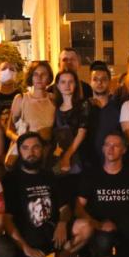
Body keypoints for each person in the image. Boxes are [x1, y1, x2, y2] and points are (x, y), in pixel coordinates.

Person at [3, 132, 90, 257]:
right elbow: (7, 220)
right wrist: (25, 248)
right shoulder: (11, 180)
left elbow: (64, 208)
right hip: (29, 242)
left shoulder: (49, 176)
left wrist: (62, 223)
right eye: (26, 148)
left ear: (43, 150)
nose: (31, 152)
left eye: (36, 147)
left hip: (52, 235)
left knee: (85, 227)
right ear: (19, 151)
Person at [77, 132, 129, 257]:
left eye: (116, 146)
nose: (111, 149)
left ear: (124, 150)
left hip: (127, 226)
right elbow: (78, 208)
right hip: (100, 227)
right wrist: (97, 224)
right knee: (104, 238)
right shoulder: (91, 174)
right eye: (107, 145)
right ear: (103, 149)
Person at [51, 69, 88, 200]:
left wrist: (67, 155)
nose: (67, 85)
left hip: (79, 157)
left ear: (76, 85)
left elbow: (82, 132)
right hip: (59, 156)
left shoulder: (83, 105)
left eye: (71, 82)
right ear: (57, 85)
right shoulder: (54, 107)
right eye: (63, 82)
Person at [7, 60, 56, 151]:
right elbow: (9, 130)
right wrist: (22, 141)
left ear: (49, 78)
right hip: (27, 153)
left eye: (43, 74)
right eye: (35, 74)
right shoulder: (21, 99)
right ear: (31, 77)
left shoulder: (53, 100)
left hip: (48, 152)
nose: (39, 77)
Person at [85, 61, 121, 168]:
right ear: (90, 82)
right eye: (95, 79)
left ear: (110, 81)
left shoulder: (119, 107)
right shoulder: (84, 107)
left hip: (114, 164)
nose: (99, 83)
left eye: (104, 79)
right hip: (88, 165)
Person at [0, 60, 22, 129]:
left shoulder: (22, 97)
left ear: (16, 75)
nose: (8, 71)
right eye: (4, 69)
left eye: (12, 69)